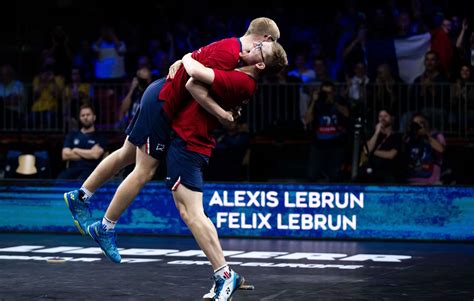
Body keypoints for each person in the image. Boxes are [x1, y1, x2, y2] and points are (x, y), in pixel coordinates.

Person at [64, 17, 280, 258]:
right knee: (144, 170)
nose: (263, 51)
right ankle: (105, 227)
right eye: (268, 47)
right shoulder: (230, 54)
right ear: (266, 38)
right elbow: (193, 82)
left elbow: (197, 64)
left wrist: (186, 60)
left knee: (125, 154)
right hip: (164, 102)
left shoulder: (231, 49)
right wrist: (220, 111)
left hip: (160, 94)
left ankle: (80, 196)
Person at [163, 41, 287, 301]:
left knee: (193, 214)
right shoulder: (239, 75)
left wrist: (187, 55)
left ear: (260, 63)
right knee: (193, 213)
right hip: (191, 140)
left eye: (259, 48)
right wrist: (222, 112)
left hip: (190, 141)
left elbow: (192, 80)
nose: (253, 45)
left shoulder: (242, 82)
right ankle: (226, 274)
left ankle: (224, 275)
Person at [58, 104, 106, 180]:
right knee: (58, 184)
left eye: (88, 115)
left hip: (91, 173)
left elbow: (95, 155)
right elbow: (65, 155)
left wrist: (75, 150)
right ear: (80, 118)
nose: (85, 117)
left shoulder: (100, 136)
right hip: (72, 171)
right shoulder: (72, 135)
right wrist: (89, 154)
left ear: (94, 117)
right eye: (82, 115)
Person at [402, 113, 446, 185]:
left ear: (427, 123)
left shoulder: (436, 135)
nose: (418, 125)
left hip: (430, 179)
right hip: (412, 179)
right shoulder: (410, 138)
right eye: (415, 123)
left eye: (421, 122)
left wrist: (426, 134)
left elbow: (441, 149)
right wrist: (409, 133)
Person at [361, 109, 402, 183]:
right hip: (371, 171)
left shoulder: (397, 136)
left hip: (388, 172)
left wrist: (372, 151)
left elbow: (391, 154)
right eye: (380, 116)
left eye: (385, 116)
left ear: (392, 118)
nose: (382, 119)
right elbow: (367, 150)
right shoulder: (372, 135)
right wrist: (376, 133)